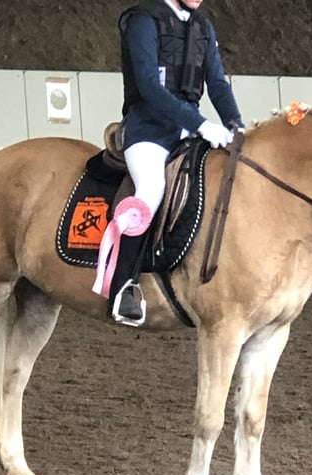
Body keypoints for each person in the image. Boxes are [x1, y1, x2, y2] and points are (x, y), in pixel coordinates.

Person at [107, 0, 245, 324]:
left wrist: (236, 126)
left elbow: (218, 84)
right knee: (151, 189)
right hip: (147, 130)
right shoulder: (143, 20)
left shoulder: (203, 27)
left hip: (188, 130)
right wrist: (201, 124)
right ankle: (122, 287)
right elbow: (148, 86)